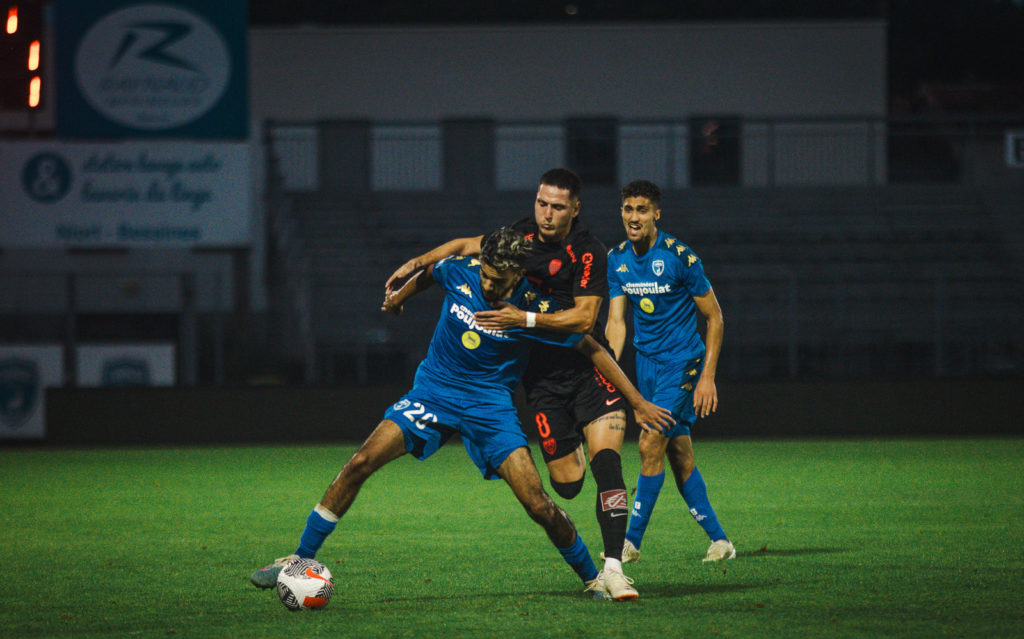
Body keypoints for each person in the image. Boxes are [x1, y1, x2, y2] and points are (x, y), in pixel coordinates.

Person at [251, 227, 672, 600]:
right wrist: (399, 299)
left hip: (490, 406)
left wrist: (636, 401)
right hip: (434, 391)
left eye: (497, 280)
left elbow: (591, 346)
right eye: (485, 275)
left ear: (517, 275)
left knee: (538, 504)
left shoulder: (532, 308)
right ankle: (299, 557)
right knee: (361, 462)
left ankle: (592, 578)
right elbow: (431, 273)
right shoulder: (461, 271)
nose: (488, 285)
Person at [385, 168, 641, 582]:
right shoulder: (519, 237)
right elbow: (463, 246)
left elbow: (584, 321)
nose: (547, 214)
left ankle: (613, 568)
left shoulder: (588, 251)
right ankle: (577, 448)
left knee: (607, 464)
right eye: (542, 203)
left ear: (575, 209)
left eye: (557, 207)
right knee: (567, 485)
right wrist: (417, 262)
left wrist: (522, 318)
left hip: (586, 366)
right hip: (541, 378)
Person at [605, 179, 736, 563]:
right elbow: (616, 322)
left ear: (656, 214)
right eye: (628, 209)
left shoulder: (680, 257)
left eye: (642, 210)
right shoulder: (616, 259)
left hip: (682, 362)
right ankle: (720, 541)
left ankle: (628, 543)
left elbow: (715, 317)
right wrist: (608, 369)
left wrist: (707, 377)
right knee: (679, 453)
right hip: (645, 365)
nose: (634, 217)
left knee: (649, 444)